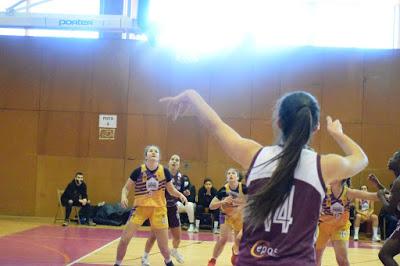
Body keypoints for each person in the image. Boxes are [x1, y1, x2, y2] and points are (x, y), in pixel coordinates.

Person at [160, 89, 368, 265]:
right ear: (315, 127)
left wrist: (191, 95)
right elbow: (361, 159)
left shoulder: (254, 155)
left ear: (278, 122)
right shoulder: (324, 165)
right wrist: (338, 134)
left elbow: (216, 125)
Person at [114, 145, 187, 266]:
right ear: (146, 156)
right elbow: (126, 188)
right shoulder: (138, 171)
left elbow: (171, 190)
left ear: (159, 157)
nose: (153, 152)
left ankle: (168, 262)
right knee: (124, 239)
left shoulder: (164, 171)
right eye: (150, 151)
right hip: (140, 208)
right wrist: (123, 196)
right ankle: (117, 263)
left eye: (156, 151)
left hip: (159, 210)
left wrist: (180, 195)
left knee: (163, 246)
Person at [316, 178, 379, 266]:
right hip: (322, 227)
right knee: (315, 258)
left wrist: (379, 186)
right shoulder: (323, 189)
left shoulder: (349, 192)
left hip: (340, 228)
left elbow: (374, 196)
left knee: (342, 260)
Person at [141, 154, 187, 266]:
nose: (174, 161)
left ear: (179, 164)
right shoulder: (162, 174)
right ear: (169, 162)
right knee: (153, 236)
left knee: (177, 236)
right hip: (160, 209)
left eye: (177, 160)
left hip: (172, 208)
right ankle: (145, 257)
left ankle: (174, 251)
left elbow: (180, 191)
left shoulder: (182, 177)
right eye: (172, 159)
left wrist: (184, 194)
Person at [207, 168, 247, 266]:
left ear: (237, 177)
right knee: (223, 239)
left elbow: (253, 201)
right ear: (227, 177)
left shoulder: (244, 188)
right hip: (226, 216)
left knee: (239, 239)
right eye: (228, 173)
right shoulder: (223, 190)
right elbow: (211, 206)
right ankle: (213, 260)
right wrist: (223, 202)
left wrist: (240, 204)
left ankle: (235, 250)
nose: (230, 175)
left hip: (239, 216)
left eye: (233, 173)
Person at [369, 150, 400, 266]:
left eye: (394, 157)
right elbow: (394, 198)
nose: (390, 159)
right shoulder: (398, 182)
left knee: (385, 254)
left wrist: (380, 195)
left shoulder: (398, 182)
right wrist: (378, 185)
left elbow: (390, 209)